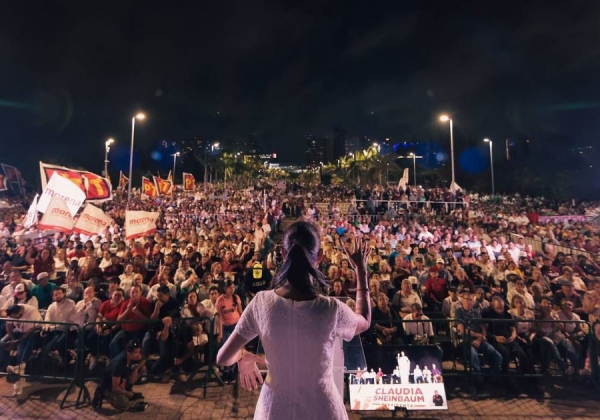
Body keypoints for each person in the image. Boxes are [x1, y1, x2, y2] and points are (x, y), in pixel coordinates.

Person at [216, 221, 371, 420]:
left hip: (274, 409)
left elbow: (223, 357)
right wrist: (361, 271)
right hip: (323, 409)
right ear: (320, 256)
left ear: (283, 253)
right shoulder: (331, 309)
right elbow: (364, 320)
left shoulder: (261, 302)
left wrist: (243, 356)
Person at [93, 339, 147, 412]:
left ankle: (128, 390)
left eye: (139, 351)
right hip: (109, 387)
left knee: (143, 368)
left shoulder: (133, 356)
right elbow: (115, 388)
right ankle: (101, 394)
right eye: (136, 352)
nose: (139, 355)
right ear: (128, 353)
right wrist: (128, 394)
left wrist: (136, 370)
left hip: (122, 380)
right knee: (124, 403)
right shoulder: (119, 364)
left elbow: (144, 359)